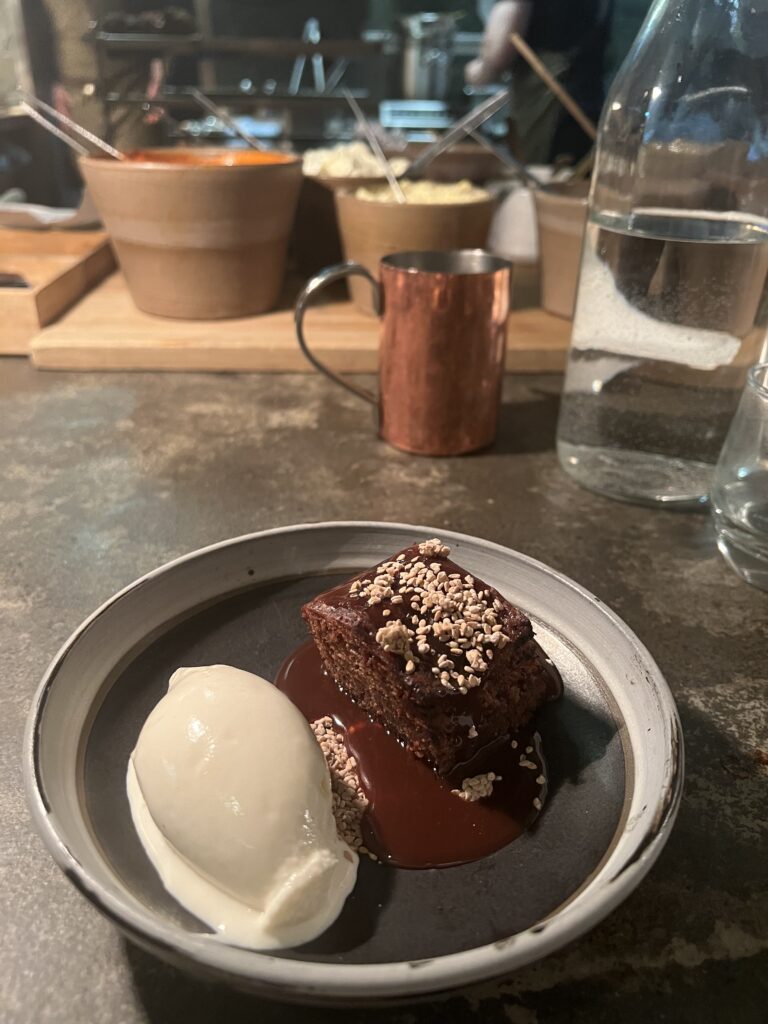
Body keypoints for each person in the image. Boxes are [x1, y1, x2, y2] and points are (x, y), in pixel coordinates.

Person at [466, 0, 613, 164]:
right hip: (589, 90)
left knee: (542, 175)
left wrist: (481, 70)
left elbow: (500, 50)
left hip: (550, 91)